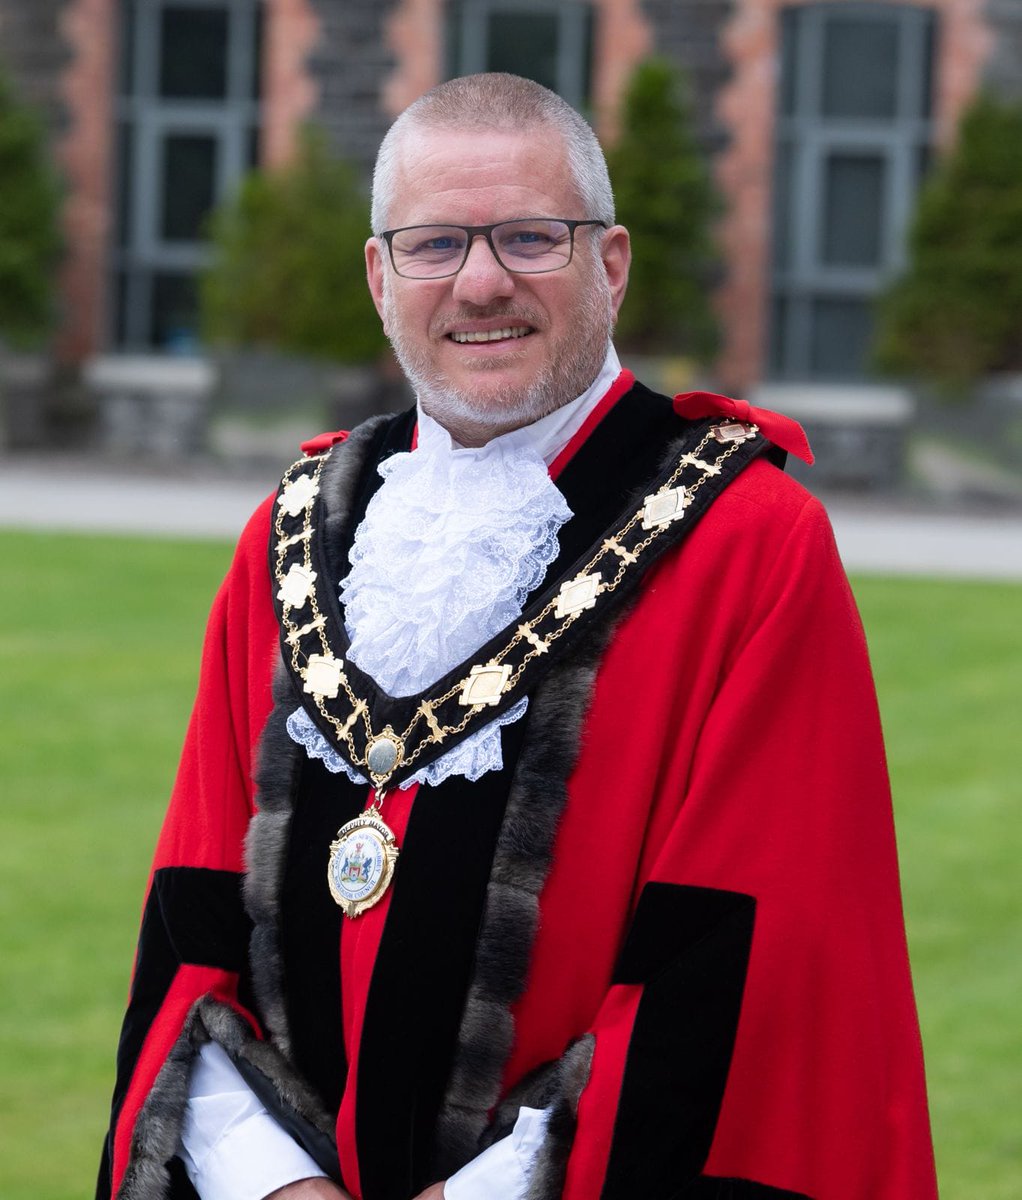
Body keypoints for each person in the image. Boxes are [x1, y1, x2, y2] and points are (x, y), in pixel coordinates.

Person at [98, 73, 937, 1200]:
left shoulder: (747, 540)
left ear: (612, 262)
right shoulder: (291, 528)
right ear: (378, 275)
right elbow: (195, 903)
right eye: (434, 244)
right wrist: (266, 1181)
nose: (481, 282)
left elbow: (750, 956)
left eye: (531, 237)